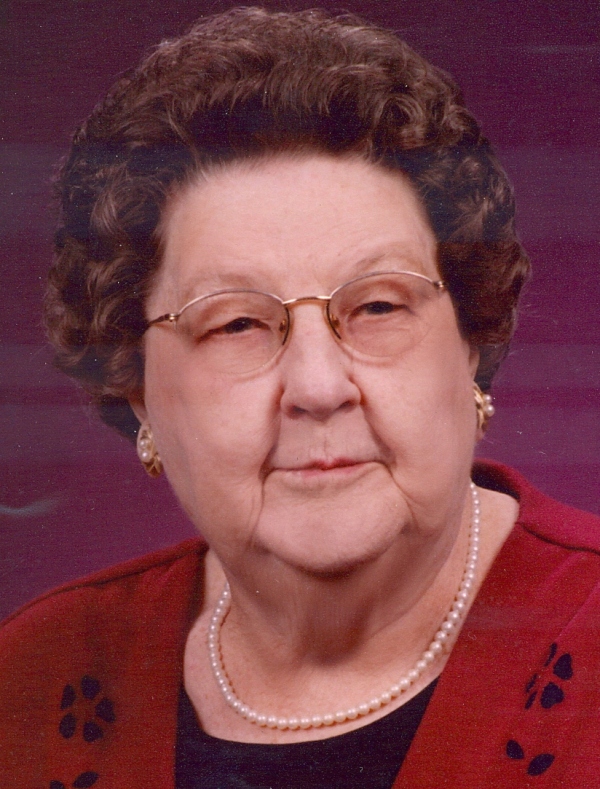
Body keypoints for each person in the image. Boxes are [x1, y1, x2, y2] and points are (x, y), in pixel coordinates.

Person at [1, 7, 599, 787]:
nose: (318, 387)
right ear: (136, 388)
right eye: (237, 323)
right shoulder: (31, 677)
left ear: (471, 342)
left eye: (378, 306)